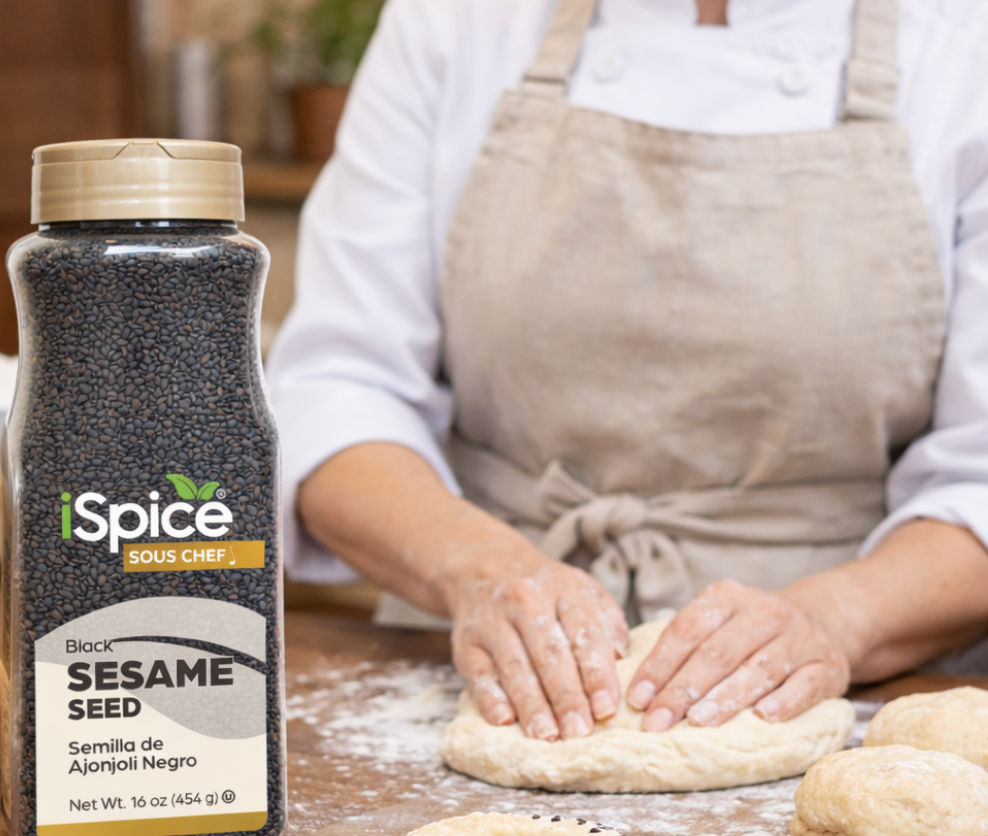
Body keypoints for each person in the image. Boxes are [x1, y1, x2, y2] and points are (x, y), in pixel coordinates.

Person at [266, 0, 988, 744]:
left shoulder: (964, 43)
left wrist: (840, 616)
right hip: (471, 675)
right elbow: (337, 386)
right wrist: (478, 569)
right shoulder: (458, 21)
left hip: (857, 691)